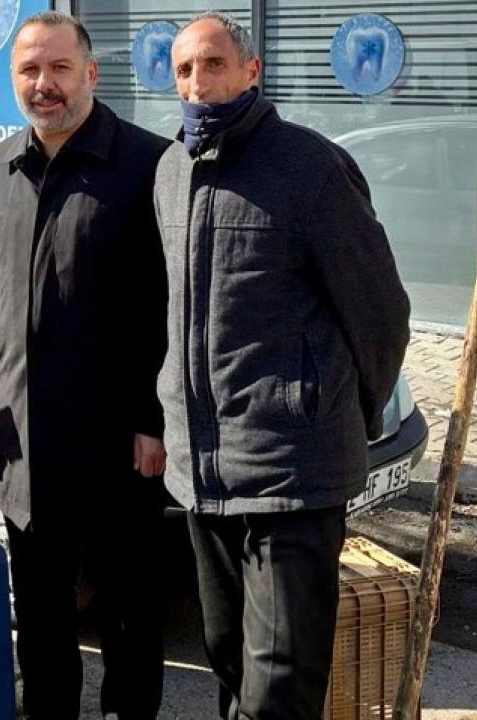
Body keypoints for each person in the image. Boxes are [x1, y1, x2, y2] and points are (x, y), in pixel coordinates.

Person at [153, 12, 411, 720]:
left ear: (250, 70)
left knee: (280, 690)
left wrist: (331, 415)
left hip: (290, 478)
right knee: (229, 663)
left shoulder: (311, 167)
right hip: (201, 475)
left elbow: (381, 312)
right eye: (183, 70)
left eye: (212, 64)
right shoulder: (171, 170)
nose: (197, 82)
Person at [0, 12, 170, 720]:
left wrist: (153, 419)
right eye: (29, 71)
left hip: (117, 441)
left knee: (128, 615)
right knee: (44, 619)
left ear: (91, 73)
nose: (43, 85)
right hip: (25, 440)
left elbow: (164, 308)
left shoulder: (148, 164)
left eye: (58, 69)